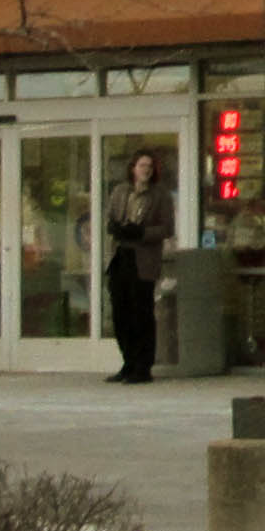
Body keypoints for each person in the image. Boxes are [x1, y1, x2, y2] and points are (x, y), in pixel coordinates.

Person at [104, 148, 171, 384]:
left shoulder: (159, 195)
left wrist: (142, 233)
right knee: (120, 312)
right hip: (121, 255)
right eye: (142, 166)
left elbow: (166, 228)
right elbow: (110, 218)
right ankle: (128, 362)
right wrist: (117, 228)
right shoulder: (121, 192)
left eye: (149, 167)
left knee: (140, 312)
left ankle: (143, 366)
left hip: (143, 259)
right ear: (133, 168)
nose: (145, 170)